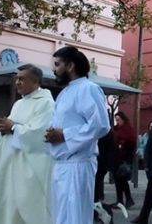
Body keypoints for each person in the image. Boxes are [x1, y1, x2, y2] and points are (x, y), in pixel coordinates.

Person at [0, 65, 55, 224]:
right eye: (16, 79)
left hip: (28, 166)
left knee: (24, 204)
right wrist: (5, 128)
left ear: (35, 82)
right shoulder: (19, 104)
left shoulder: (46, 104)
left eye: (22, 79)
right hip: (8, 163)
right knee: (6, 202)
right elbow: (13, 128)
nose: (17, 82)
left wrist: (12, 127)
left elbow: (41, 133)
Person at [46, 46, 111, 224]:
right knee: (61, 217)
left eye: (58, 64)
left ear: (70, 66)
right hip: (61, 164)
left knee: (75, 217)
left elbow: (101, 125)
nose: (54, 69)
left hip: (78, 164)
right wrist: (52, 134)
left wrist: (65, 135)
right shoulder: (64, 93)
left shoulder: (88, 88)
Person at [113, 111, 136, 207]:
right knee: (118, 181)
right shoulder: (117, 130)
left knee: (122, 180)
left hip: (124, 159)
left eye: (119, 120)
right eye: (116, 120)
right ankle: (120, 200)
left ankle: (127, 199)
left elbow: (131, 144)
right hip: (117, 159)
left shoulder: (128, 130)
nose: (117, 122)